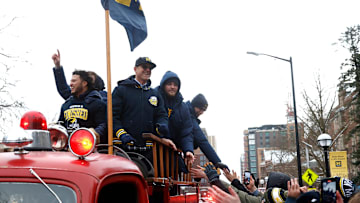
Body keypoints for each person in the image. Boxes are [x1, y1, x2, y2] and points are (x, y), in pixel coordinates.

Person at [112, 57, 174, 155]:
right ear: (135, 69)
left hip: (147, 148)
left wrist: (162, 126)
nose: (148, 70)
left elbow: (162, 115)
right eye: (144, 67)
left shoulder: (155, 94)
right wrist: (122, 134)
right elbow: (112, 116)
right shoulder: (121, 90)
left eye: (150, 68)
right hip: (123, 147)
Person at [156, 71, 194, 165]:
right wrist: (161, 139)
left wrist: (188, 150)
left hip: (172, 152)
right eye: (169, 84)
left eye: (175, 85)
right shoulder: (153, 98)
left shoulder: (183, 107)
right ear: (163, 85)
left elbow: (186, 132)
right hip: (153, 149)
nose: (172, 87)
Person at [58, 70, 107, 144]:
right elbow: (61, 124)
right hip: (68, 149)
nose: (71, 84)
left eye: (74, 81)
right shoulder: (66, 105)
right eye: (71, 81)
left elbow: (104, 124)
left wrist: (94, 133)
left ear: (84, 83)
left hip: (90, 149)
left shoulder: (97, 103)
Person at [186, 93, 228, 170]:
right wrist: (216, 161)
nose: (202, 112)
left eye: (204, 110)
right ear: (194, 105)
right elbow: (201, 139)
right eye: (200, 109)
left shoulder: (189, 113)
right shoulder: (187, 114)